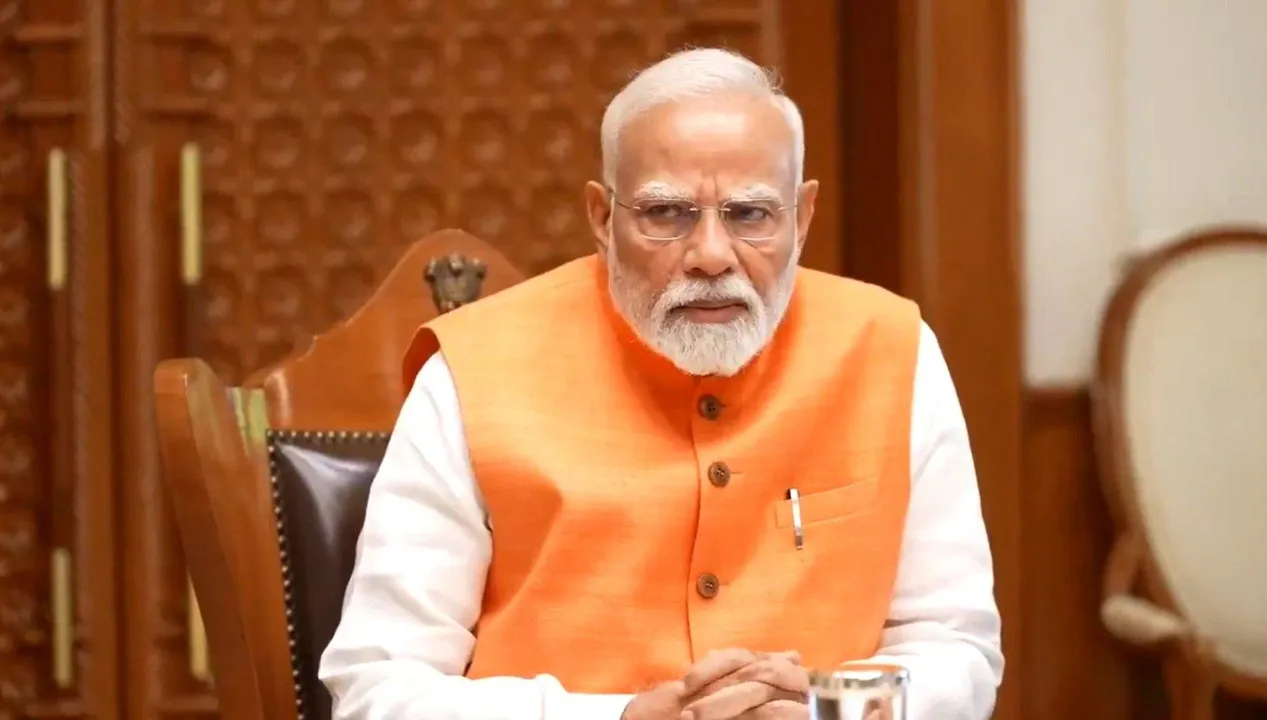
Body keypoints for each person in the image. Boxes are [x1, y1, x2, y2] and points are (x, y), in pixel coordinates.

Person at [319, 48, 1003, 720]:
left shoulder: (891, 349)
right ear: (601, 217)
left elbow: (957, 645)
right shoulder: (470, 371)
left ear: (802, 217)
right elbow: (379, 687)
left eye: (750, 214)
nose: (709, 255)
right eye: (666, 214)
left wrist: (833, 709)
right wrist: (620, 719)